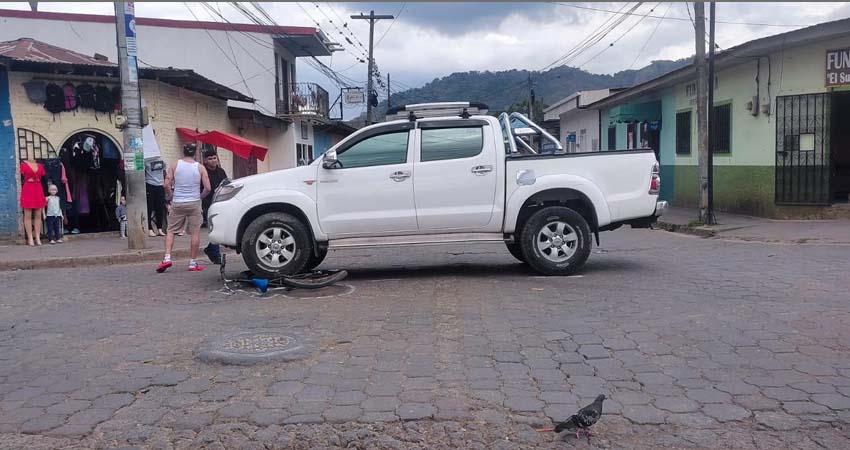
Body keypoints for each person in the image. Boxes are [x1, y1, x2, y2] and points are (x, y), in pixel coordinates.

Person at [156, 143, 211, 273]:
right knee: (195, 233)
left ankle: (167, 258)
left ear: (183, 152)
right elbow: (208, 188)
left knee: (171, 230)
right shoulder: (200, 167)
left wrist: (171, 196)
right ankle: (192, 263)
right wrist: (200, 197)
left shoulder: (175, 165)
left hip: (178, 202)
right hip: (194, 202)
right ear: (195, 153)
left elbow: (166, 184)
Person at [201, 148, 228, 264]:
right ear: (205, 161)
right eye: (210, 159)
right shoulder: (202, 172)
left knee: (220, 227)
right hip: (207, 203)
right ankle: (215, 253)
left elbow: (227, 185)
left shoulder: (221, 171)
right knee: (215, 227)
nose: (213, 161)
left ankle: (211, 249)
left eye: (214, 158)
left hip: (221, 203)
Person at [20, 158, 46, 246]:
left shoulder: (40, 166)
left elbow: (43, 177)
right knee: (28, 215)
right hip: (28, 189)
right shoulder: (23, 165)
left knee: (38, 214)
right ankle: (30, 237)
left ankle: (37, 237)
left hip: (38, 189)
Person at [145, 158, 167, 237]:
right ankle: (149, 228)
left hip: (160, 185)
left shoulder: (162, 161)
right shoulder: (146, 161)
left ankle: (160, 228)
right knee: (149, 207)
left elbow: (164, 172)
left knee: (160, 207)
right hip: (149, 184)